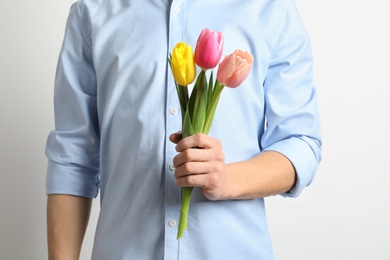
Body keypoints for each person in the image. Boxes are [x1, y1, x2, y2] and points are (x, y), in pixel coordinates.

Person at [45, 0, 322, 259]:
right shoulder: (93, 10)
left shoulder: (270, 9)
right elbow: (73, 158)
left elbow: (300, 143)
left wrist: (226, 180)